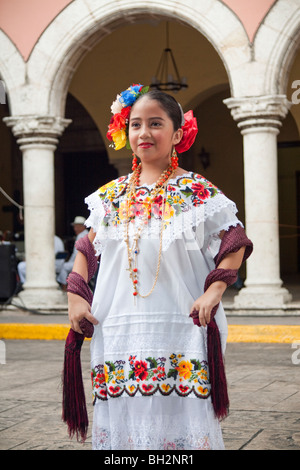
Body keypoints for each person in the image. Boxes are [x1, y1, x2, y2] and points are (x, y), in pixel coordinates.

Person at [65, 84, 253, 450]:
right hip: (117, 327)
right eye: (135, 125)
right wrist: (76, 296)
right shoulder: (109, 196)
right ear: (126, 131)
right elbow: (87, 247)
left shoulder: (198, 192)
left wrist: (213, 292)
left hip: (180, 325)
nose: (144, 133)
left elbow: (235, 244)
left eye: (155, 123)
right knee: (126, 426)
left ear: (177, 133)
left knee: (179, 420)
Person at [57, 216, 88, 288]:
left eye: (77, 227)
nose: (75, 229)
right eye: (75, 227)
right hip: (86, 262)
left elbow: (76, 254)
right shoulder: (87, 234)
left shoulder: (81, 236)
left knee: (63, 267)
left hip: (81, 263)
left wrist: (69, 261)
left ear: (83, 227)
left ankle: (65, 286)